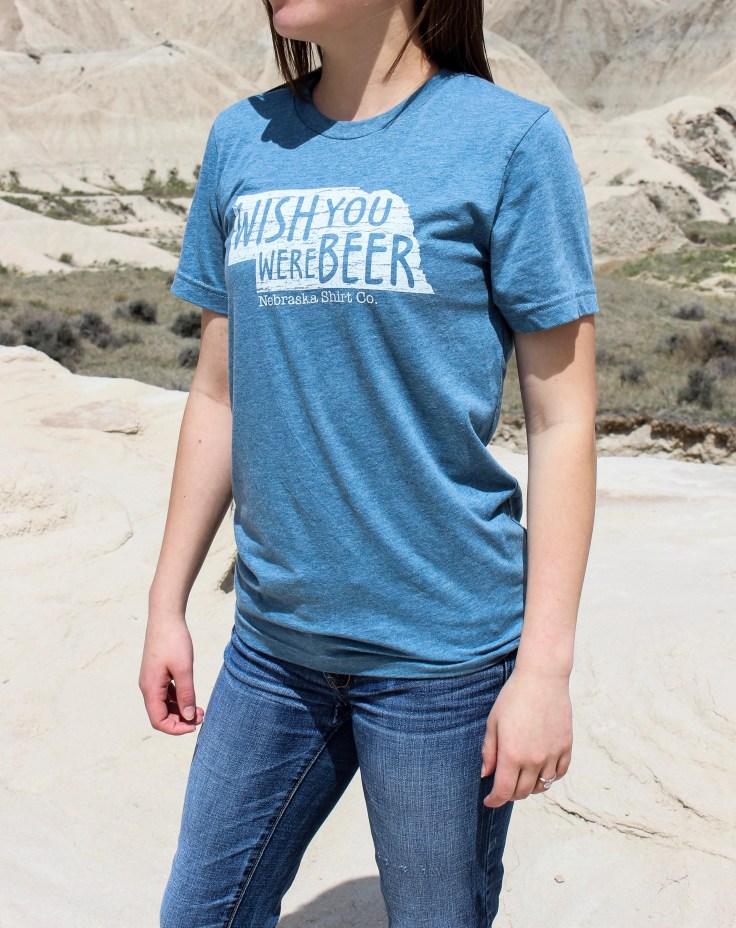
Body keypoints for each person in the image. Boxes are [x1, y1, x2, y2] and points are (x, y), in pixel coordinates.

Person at [139, 0, 599, 925]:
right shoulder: (243, 140)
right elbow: (218, 394)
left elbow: (562, 422)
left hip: (444, 664)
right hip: (274, 649)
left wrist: (543, 672)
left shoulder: (509, 143)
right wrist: (166, 605)